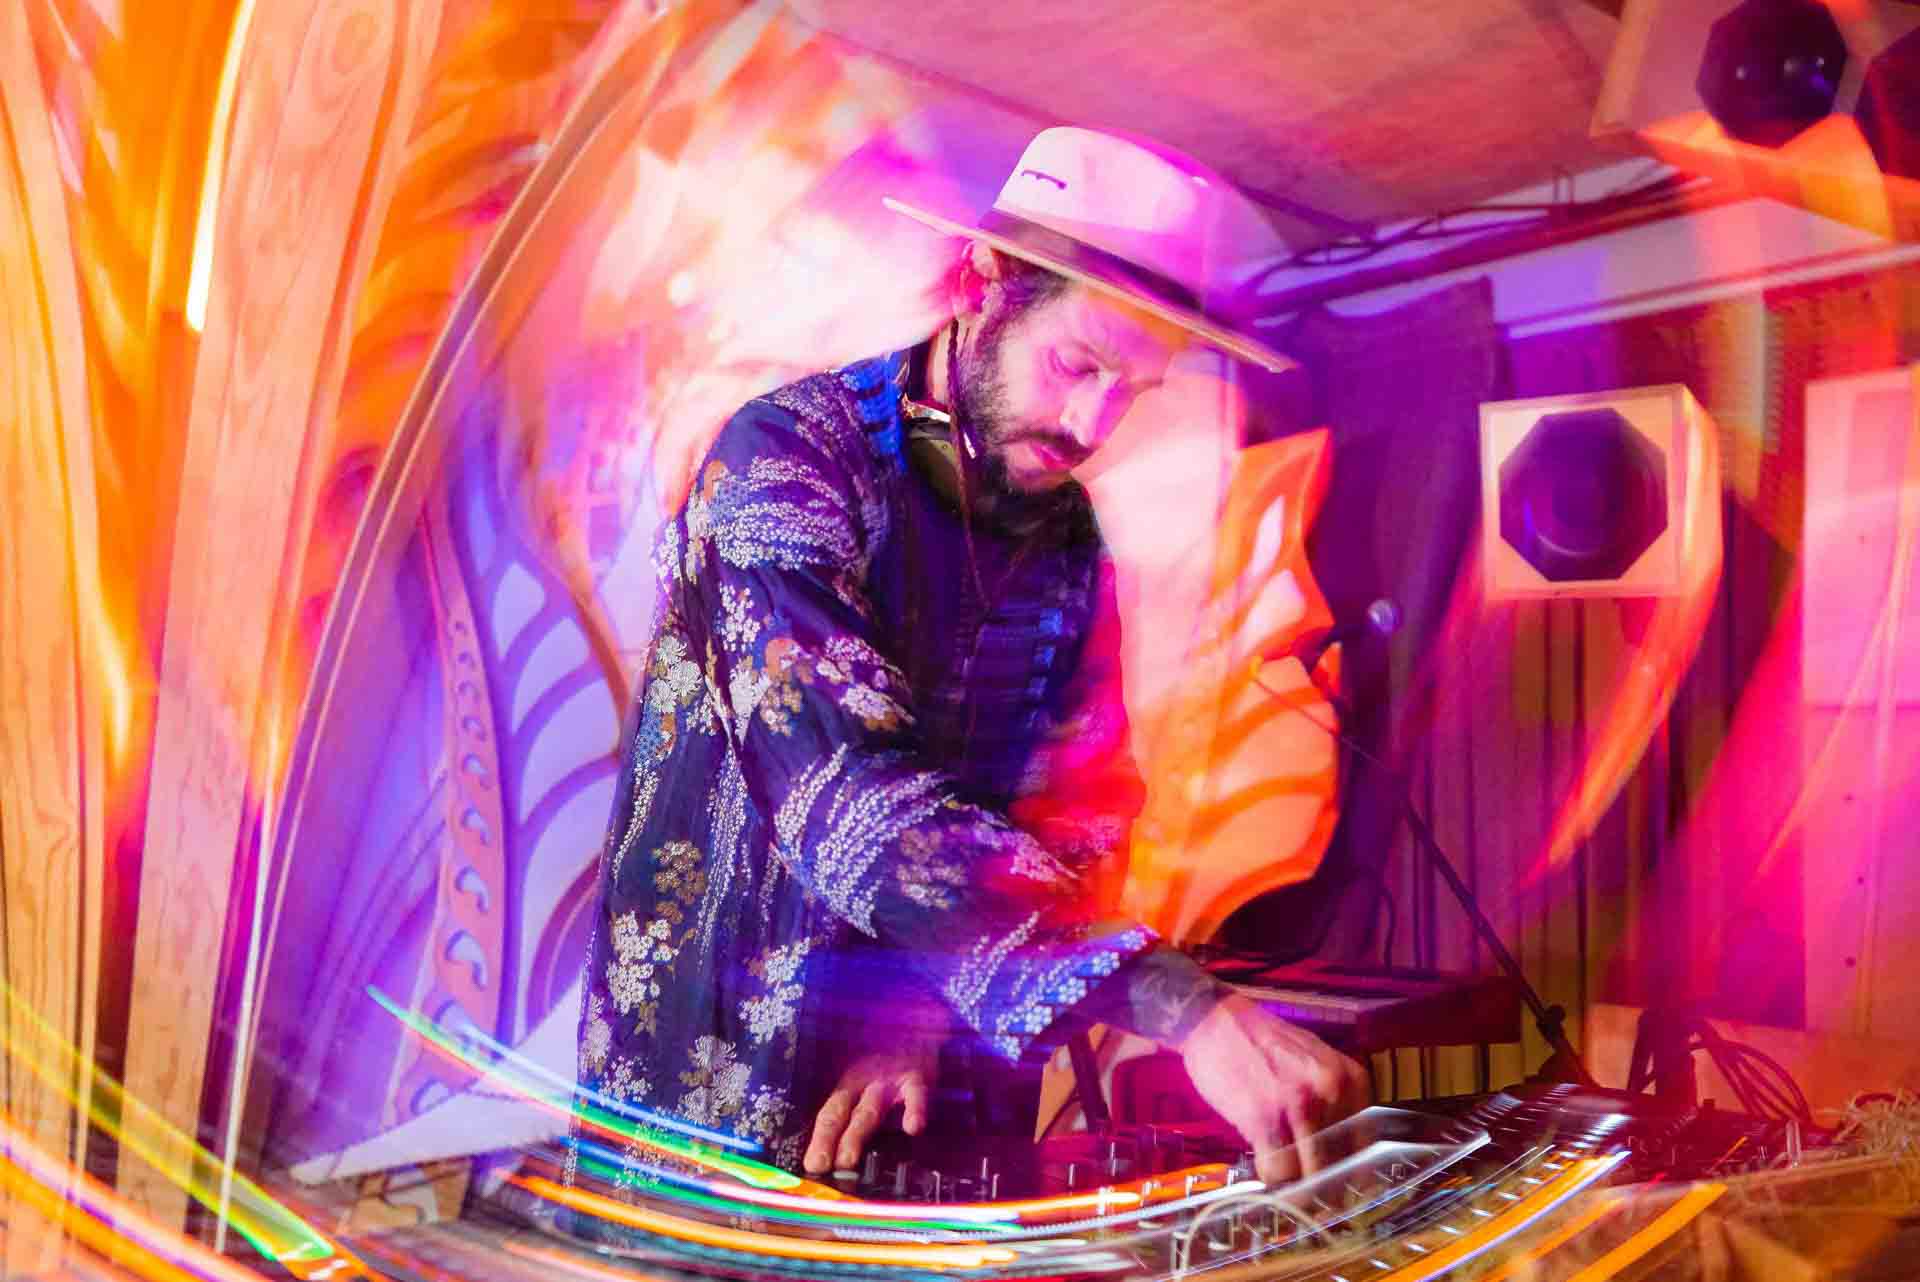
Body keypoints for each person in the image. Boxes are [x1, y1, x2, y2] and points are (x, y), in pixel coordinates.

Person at [571, 126, 1368, 1190]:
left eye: (1134, 389)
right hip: (713, 1063)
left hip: (921, 1076)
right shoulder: (782, 458)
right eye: (1077, 364)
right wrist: (1185, 1008)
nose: (1093, 422)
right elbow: (839, 782)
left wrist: (923, 1001)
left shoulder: (1066, 534)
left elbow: (1083, 803)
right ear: (978, 284)